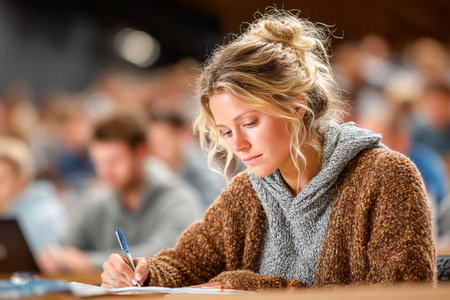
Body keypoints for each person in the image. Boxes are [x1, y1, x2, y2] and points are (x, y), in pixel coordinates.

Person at [101, 11, 436, 290]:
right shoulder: (245, 194)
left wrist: (249, 288)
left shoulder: (386, 177)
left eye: (249, 123)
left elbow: (402, 295)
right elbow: (182, 267)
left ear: (296, 108)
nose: (237, 145)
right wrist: (141, 274)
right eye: (226, 131)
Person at [38, 111, 202, 273]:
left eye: (114, 161)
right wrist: (53, 255)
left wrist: (88, 262)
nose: (104, 172)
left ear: (141, 152)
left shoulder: (179, 200)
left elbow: (165, 255)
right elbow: (65, 244)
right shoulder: (97, 200)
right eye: (98, 162)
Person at [0, 136, 66, 254]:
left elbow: (49, 267)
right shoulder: (6, 209)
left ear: (21, 181)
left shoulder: (46, 215)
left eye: (1, 180)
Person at [147, 112, 225, 210]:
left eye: (163, 142)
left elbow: (216, 204)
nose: (157, 150)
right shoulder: (153, 171)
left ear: (182, 135)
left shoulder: (203, 168)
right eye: (153, 145)